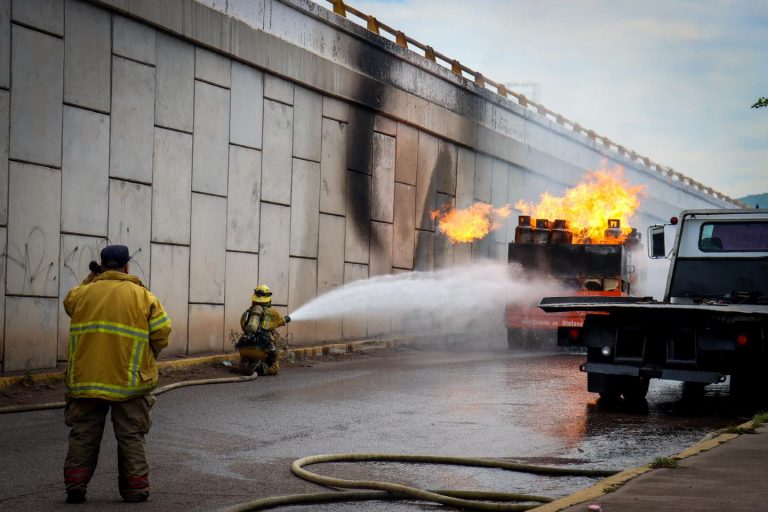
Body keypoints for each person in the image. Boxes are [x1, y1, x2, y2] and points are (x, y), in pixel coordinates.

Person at [62, 245, 171, 504]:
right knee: (131, 436)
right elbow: (162, 333)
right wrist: (149, 354)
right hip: (129, 382)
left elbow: (69, 303)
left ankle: (75, 486)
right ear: (127, 267)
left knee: (83, 435)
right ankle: (135, 490)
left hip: (86, 380)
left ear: (101, 265)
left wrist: (92, 278)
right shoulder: (143, 297)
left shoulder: (81, 294)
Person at [237, 284, 290, 376]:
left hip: (243, 349)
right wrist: (286, 318)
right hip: (260, 350)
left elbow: (243, 326)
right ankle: (261, 367)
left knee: (248, 357)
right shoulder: (272, 313)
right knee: (274, 367)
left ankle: (246, 363)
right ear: (268, 299)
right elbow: (281, 321)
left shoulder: (246, 313)